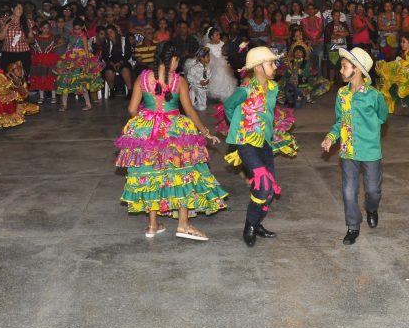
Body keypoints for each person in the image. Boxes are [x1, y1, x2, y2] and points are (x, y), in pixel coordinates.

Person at [115, 42, 227, 241]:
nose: (178, 64)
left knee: (152, 176)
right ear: (172, 59)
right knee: (183, 174)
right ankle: (183, 225)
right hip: (175, 131)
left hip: (148, 132)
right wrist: (206, 132)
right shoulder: (179, 81)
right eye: (177, 60)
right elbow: (190, 111)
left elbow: (132, 109)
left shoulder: (142, 78)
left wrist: (144, 123)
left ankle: (152, 225)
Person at [321, 47, 388, 245]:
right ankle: (353, 226)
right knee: (349, 191)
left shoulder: (374, 95)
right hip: (348, 151)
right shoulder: (342, 94)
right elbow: (340, 121)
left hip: (370, 151)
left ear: (357, 69)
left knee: (373, 191)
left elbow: (383, 116)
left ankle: (372, 209)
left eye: (344, 66)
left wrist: (370, 130)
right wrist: (331, 137)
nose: (340, 70)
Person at [222, 46, 285, 248]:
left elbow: (268, 113)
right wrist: (238, 125)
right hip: (247, 143)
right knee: (263, 184)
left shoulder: (273, 88)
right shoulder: (246, 89)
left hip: (265, 143)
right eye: (271, 63)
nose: (275, 67)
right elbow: (228, 106)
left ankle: (257, 224)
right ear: (258, 67)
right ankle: (249, 227)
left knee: (268, 190)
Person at [54, 18, 102, 112]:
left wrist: (87, 64)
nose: (77, 31)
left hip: (81, 60)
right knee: (65, 78)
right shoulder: (70, 34)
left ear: (82, 27)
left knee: (81, 81)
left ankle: (88, 103)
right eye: (75, 29)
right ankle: (64, 104)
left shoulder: (83, 37)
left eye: (78, 29)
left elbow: (87, 51)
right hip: (70, 58)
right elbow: (68, 45)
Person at [204, 27, 237, 102]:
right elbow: (206, 57)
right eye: (217, 35)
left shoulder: (222, 43)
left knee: (227, 77)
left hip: (224, 63)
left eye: (219, 35)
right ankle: (218, 95)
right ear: (211, 37)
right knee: (218, 77)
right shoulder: (207, 46)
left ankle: (228, 95)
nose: (219, 36)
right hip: (214, 66)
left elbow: (225, 52)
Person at [30, 20, 59, 104]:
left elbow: (62, 41)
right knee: (40, 77)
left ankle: (53, 96)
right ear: (40, 29)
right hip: (39, 60)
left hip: (50, 60)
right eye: (44, 28)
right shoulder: (36, 37)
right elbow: (31, 44)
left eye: (47, 28)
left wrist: (55, 46)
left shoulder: (52, 37)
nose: (46, 29)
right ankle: (41, 96)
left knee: (51, 77)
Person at [185, 47, 211, 111]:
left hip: (203, 88)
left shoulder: (208, 68)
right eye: (207, 57)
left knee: (202, 107)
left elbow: (208, 76)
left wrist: (207, 81)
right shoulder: (195, 68)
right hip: (195, 86)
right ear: (202, 58)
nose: (209, 58)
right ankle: (191, 104)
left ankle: (197, 104)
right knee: (192, 95)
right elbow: (189, 77)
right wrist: (198, 82)